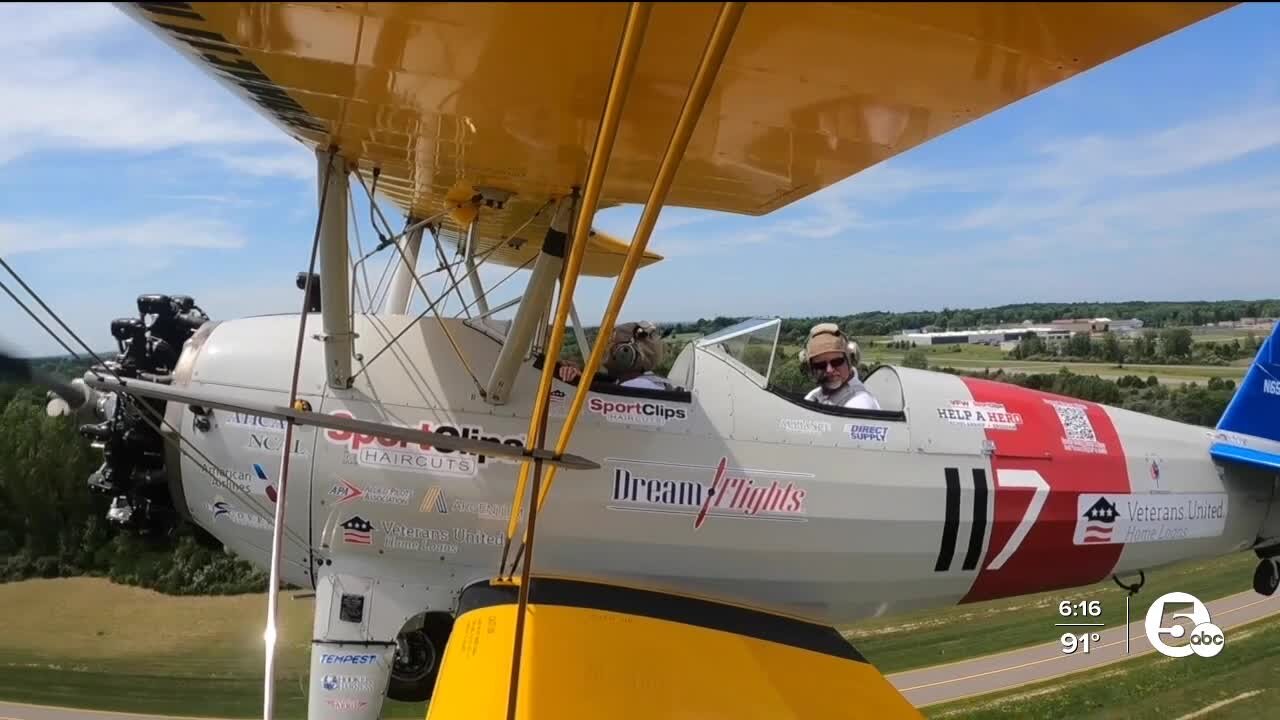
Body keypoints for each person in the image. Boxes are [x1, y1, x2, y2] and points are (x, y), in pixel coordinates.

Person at [555, 320, 675, 390]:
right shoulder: (646, 382)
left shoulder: (637, 387)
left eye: (612, 343)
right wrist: (579, 377)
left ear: (625, 353)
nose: (606, 349)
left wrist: (572, 382)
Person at [801, 323, 880, 409]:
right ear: (811, 368)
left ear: (850, 360)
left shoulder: (859, 403)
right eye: (821, 365)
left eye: (837, 362)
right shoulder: (814, 396)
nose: (829, 370)